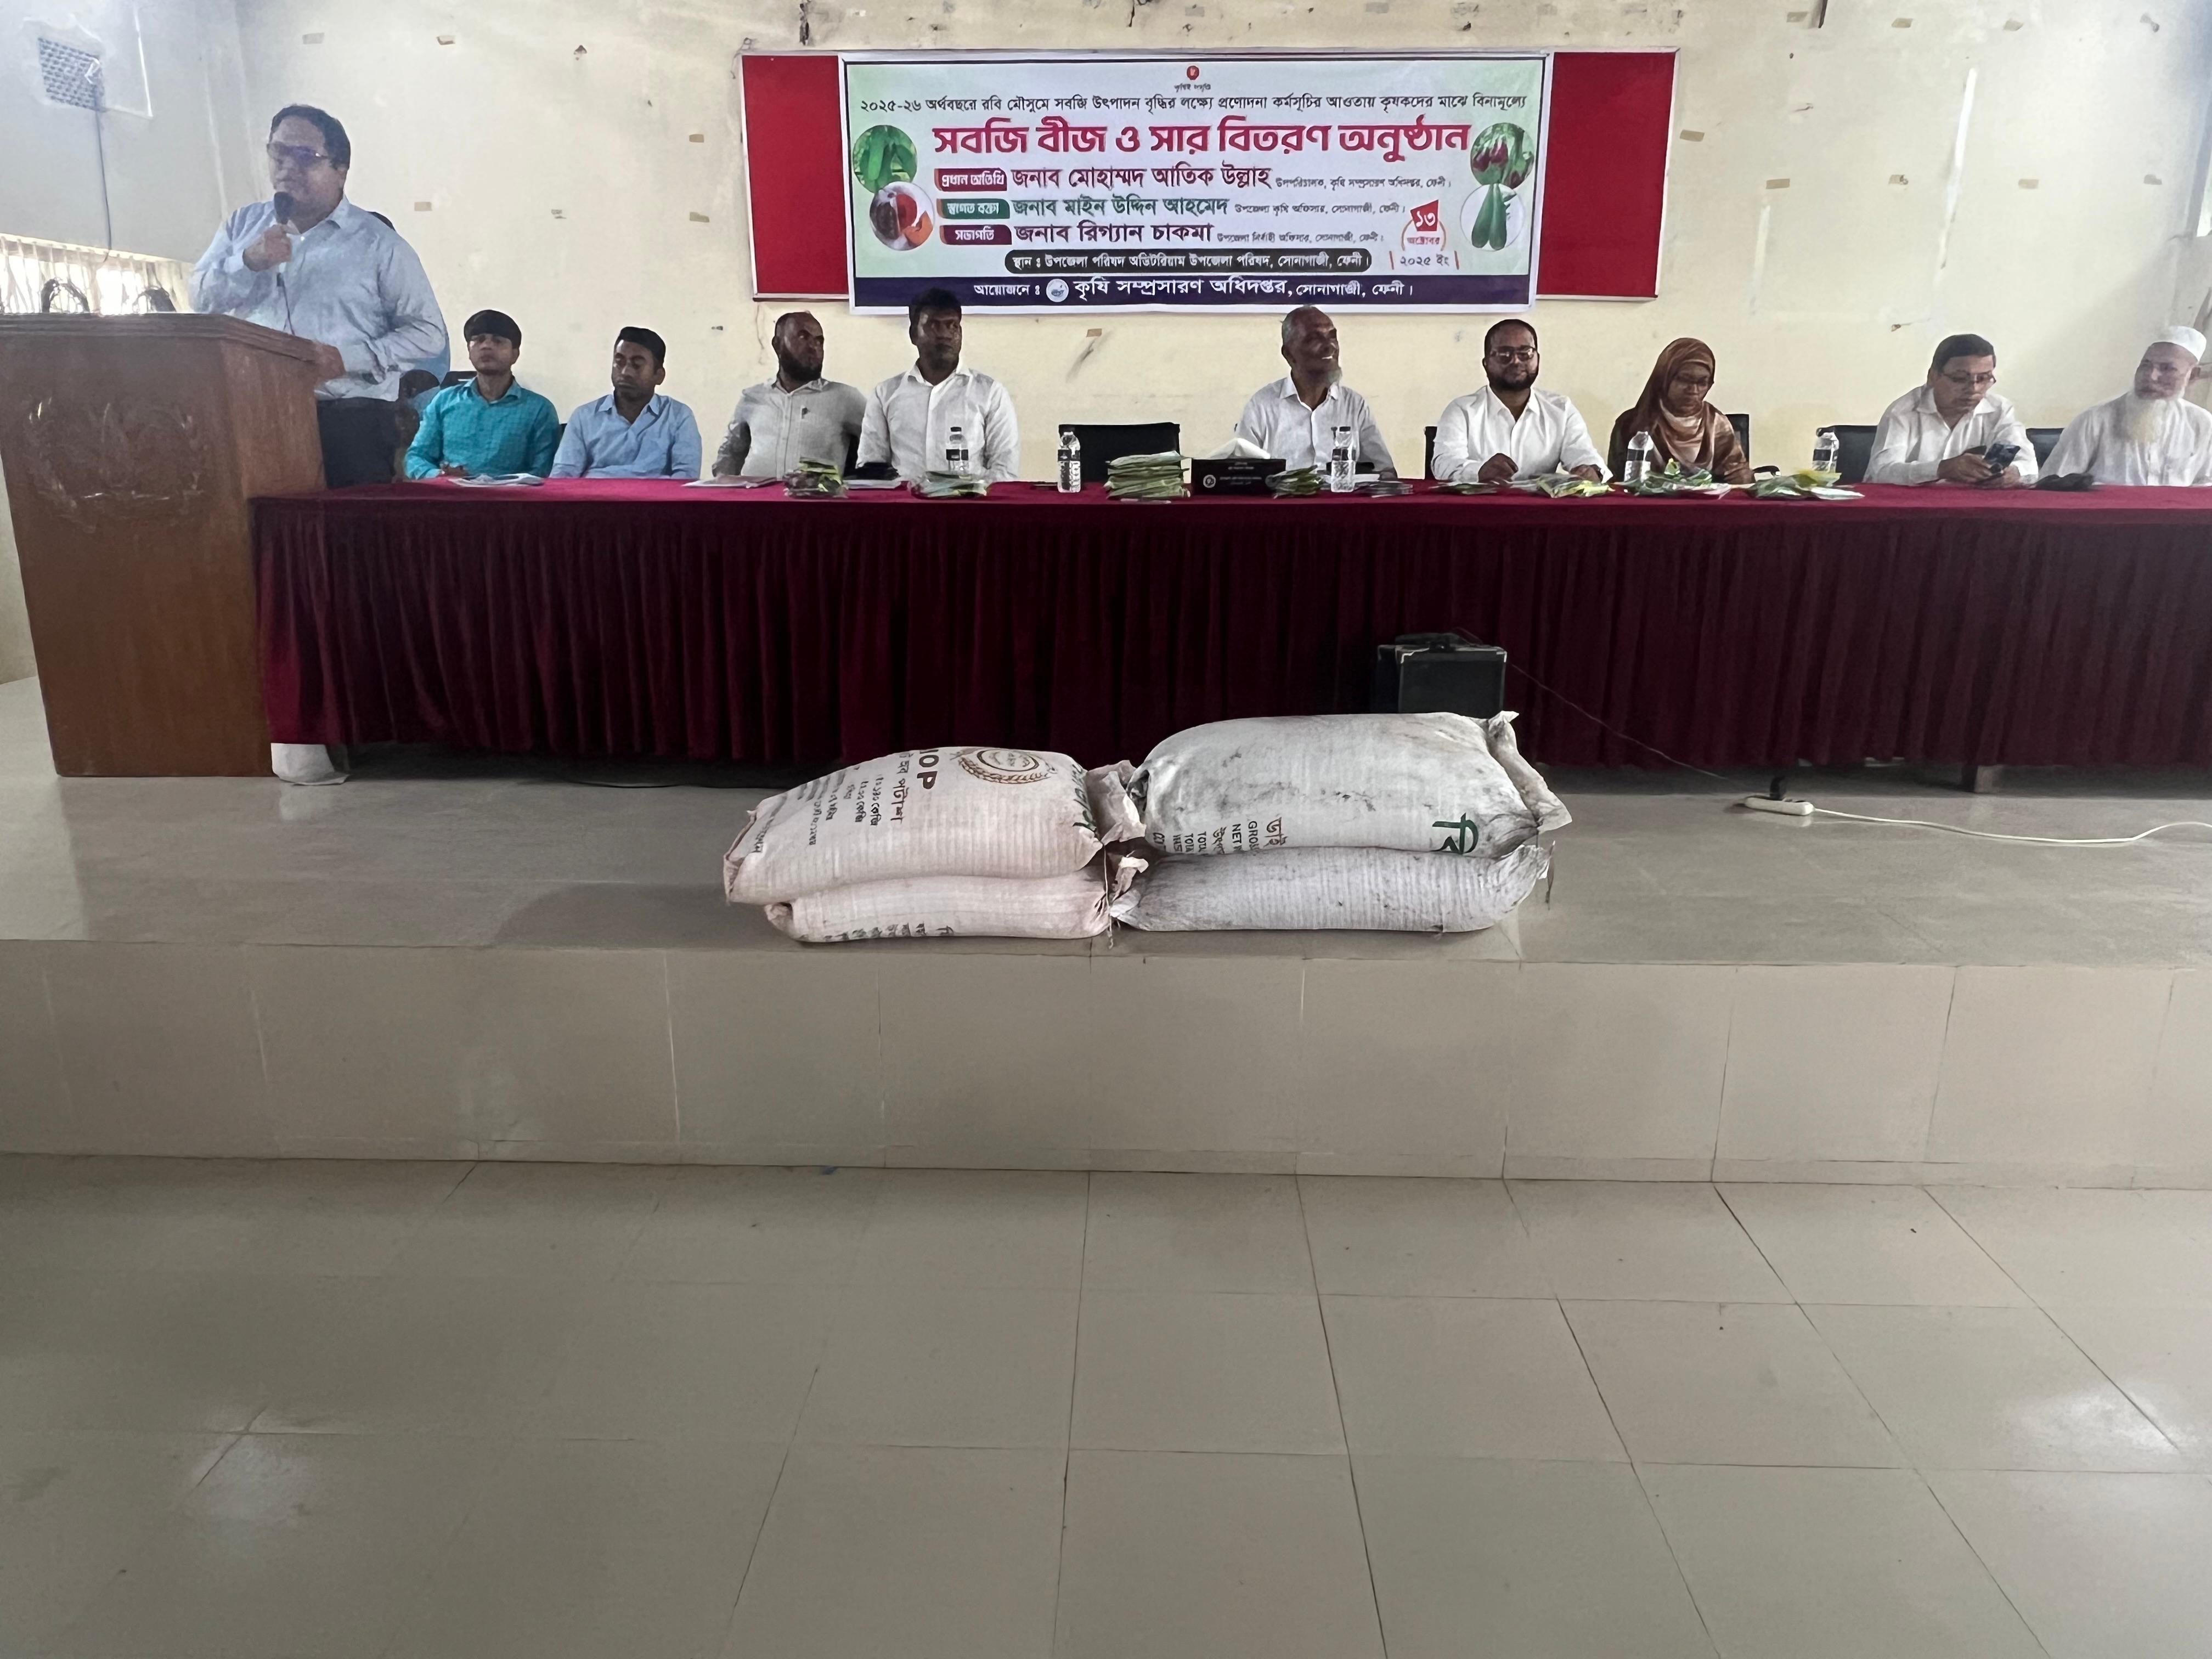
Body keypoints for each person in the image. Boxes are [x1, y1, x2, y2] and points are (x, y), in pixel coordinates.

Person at [189, 104, 447, 488]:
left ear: (341, 170)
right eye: (278, 153)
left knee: (350, 526)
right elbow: (200, 299)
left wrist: (347, 359)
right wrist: (248, 261)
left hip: (348, 421)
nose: (287, 167)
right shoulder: (242, 226)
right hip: (253, 414)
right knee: (267, 524)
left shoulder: (379, 244)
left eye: (305, 156)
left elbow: (428, 333)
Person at [857, 288, 1020, 481]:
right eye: (934, 326)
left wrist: (972, 494)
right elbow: (872, 467)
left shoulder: (990, 393)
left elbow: (1004, 470)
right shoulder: (885, 394)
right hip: (905, 499)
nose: (945, 335)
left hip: (971, 499)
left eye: (952, 326)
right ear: (913, 334)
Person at [1431, 320, 1606, 483]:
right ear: (1486, 364)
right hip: (1480, 505)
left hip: (1540, 506)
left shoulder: (1561, 409)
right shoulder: (1462, 411)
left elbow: (1584, 455)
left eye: (1525, 353)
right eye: (1504, 354)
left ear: (1537, 359)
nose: (1516, 361)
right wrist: (1479, 472)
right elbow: (1444, 464)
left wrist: (1591, 471)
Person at [1233, 306, 1395, 473]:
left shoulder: (1354, 405)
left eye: (1332, 336)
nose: (1330, 346)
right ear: (1289, 354)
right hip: (1285, 492)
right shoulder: (1262, 407)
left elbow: (1384, 471)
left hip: (1341, 491)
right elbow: (1241, 474)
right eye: (1314, 339)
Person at [403, 309, 560, 479]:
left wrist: (497, 485)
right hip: (452, 493)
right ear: (469, 351)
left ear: (515, 355)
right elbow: (417, 457)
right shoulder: (444, 401)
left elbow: (542, 471)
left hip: (513, 494)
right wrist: (439, 476)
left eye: (498, 341)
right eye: (478, 340)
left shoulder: (539, 410)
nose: (486, 346)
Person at [2046, 327, 2212, 486]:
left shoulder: (2203, 424)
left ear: (2193, 375)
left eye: (2167, 369)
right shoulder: (2094, 420)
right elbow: (2053, 484)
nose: (2151, 376)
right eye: (2146, 365)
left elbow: (2205, 486)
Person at [1865, 334, 2037, 486]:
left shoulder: (1999, 410)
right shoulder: (1903, 412)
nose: (1973, 389)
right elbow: (1882, 472)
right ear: (1933, 376)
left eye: (1983, 378)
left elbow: (2028, 464)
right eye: (1960, 379)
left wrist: (2014, 473)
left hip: (1973, 505)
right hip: (1909, 506)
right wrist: (1942, 469)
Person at [714, 311, 866, 478]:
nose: (813, 347)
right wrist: (724, 484)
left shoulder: (845, 399)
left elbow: (878, 455)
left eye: (819, 341)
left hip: (817, 493)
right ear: (777, 345)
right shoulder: (753, 397)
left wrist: (846, 486)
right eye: (803, 337)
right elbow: (730, 453)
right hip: (756, 493)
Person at [550, 328, 702, 479]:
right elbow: (563, 477)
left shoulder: (678, 416)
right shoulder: (584, 416)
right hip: (596, 495)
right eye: (619, 362)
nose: (625, 372)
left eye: (637, 365)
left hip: (656, 496)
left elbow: (686, 478)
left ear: (659, 376)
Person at [1606, 337, 1753, 484]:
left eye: (1702, 383)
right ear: (1665, 378)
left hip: (1705, 499)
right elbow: (1618, 483)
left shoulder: (1716, 423)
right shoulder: (1632, 424)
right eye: (1685, 380)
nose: (1693, 390)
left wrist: (1744, 477)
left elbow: (1737, 474)